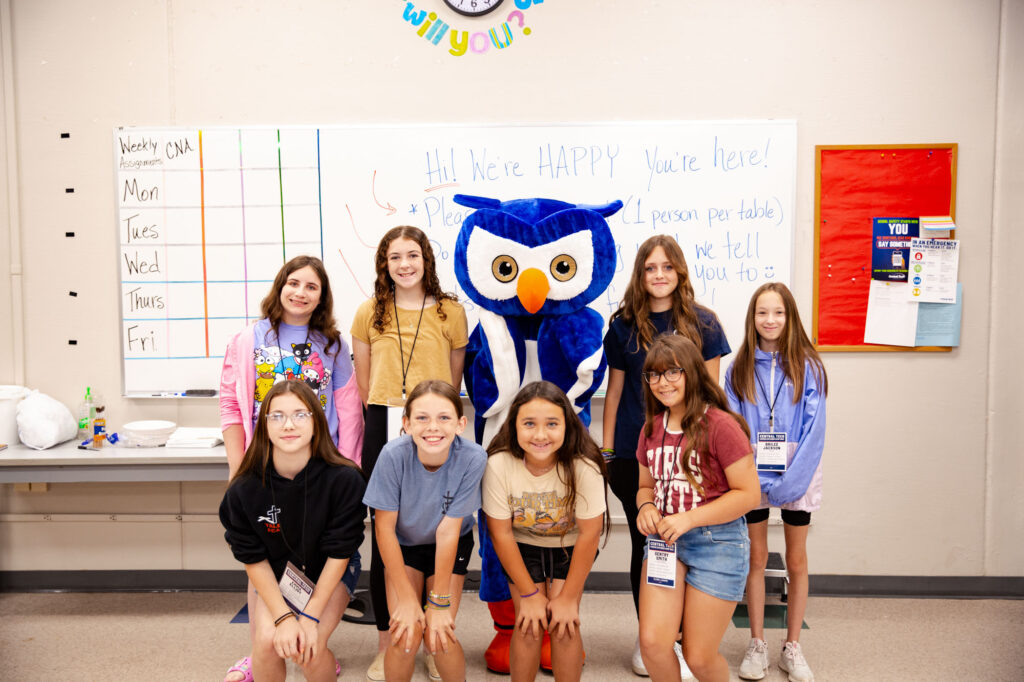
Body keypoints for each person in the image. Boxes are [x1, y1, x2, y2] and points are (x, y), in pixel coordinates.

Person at [219, 255, 363, 682]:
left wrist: (348, 469)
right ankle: (262, 650)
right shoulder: (249, 339)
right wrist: (237, 469)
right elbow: (230, 404)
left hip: (320, 467)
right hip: (265, 465)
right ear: (280, 286)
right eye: (293, 283)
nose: (300, 293)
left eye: (311, 287)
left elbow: (349, 410)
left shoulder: (332, 344)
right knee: (269, 548)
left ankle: (299, 641)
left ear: (322, 296)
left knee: (316, 548)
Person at [602, 234, 730, 677]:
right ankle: (651, 637)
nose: (658, 276)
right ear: (640, 276)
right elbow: (615, 391)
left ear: (679, 272)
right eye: (649, 268)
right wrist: (608, 451)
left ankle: (687, 638)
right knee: (647, 543)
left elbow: (711, 393)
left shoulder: (705, 323)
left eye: (666, 267)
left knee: (691, 543)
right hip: (636, 455)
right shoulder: (621, 325)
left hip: (691, 455)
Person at [351, 226, 469, 680]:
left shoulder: (450, 312)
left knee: (441, 524)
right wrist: (393, 418)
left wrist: (434, 421)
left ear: (426, 261)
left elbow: (454, 379)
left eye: (413, 255)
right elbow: (364, 383)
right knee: (388, 535)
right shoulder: (369, 313)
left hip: (434, 424)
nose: (404, 264)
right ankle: (392, 639)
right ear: (384, 263)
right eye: (394, 256)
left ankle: (435, 639)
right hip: (386, 423)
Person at [219, 380, 366, 682]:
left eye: (300, 414)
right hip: (277, 574)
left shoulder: (345, 479)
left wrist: (310, 618)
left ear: (317, 421)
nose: (288, 425)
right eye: (277, 416)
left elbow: (340, 553)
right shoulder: (244, 489)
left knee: (308, 649)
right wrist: (284, 617)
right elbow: (252, 558)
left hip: (330, 569)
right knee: (266, 643)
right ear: (264, 425)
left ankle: (320, 652)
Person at [635, 335, 760, 682]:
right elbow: (646, 487)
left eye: (673, 372)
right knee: (653, 645)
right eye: (654, 375)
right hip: (665, 544)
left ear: (692, 372)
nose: (663, 382)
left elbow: (748, 494)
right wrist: (646, 506)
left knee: (700, 658)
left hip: (716, 544)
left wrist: (689, 518)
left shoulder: (720, 425)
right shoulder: (650, 428)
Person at [725, 283, 827, 682]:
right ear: (752, 319)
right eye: (762, 313)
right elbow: (733, 428)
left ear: (790, 317)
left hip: (796, 475)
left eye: (778, 313)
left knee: (797, 560)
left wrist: (791, 483)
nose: (770, 320)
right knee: (756, 558)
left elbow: (815, 430)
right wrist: (749, 480)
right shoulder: (739, 367)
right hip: (751, 476)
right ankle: (757, 643)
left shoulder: (810, 366)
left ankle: (792, 646)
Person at [482, 381, 609, 682]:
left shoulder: (585, 465)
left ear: (567, 426)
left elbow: (591, 534)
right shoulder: (498, 464)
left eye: (552, 424)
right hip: (522, 545)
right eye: (529, 424)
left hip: (572, 545)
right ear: (514, 426)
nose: (540, 435)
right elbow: (500, 534)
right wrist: (528, 594)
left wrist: (567, 599)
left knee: (565, 625)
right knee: (529, 622)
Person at [362, 380, 486, 682]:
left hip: (451, 543)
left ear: (460, 424)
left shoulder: (472, 458)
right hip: (404, 545)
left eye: (444, 417)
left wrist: (439, 604)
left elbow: (448, 532)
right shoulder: (392, 455)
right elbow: (385, 529)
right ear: (406, 424)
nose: (433, 427)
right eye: (422, 418)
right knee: (405, 635)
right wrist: (406, 601)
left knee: (439, 636)